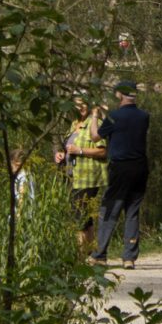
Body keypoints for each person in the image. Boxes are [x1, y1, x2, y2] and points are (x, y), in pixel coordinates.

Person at [91, 81, 152, 267]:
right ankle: (129, 257)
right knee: (132, 210)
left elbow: (95, 136)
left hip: (120, 167)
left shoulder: (114, 116)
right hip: (140, 167)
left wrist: (95, 116)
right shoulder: (144, 116)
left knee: (110, 209)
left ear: (119, 94)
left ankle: (100, 255)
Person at [57, 95, 106, 253]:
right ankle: (91, 252)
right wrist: (60, 154)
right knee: (85, 216)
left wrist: (80, 150)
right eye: (77, 105)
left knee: (78, 214)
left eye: (83, 104)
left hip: (88, 176)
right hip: (73, 175)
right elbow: (68, 147)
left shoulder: (95, 123)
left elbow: (103, 151)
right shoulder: (73, 124)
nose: (80, 108)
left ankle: (79, 254)